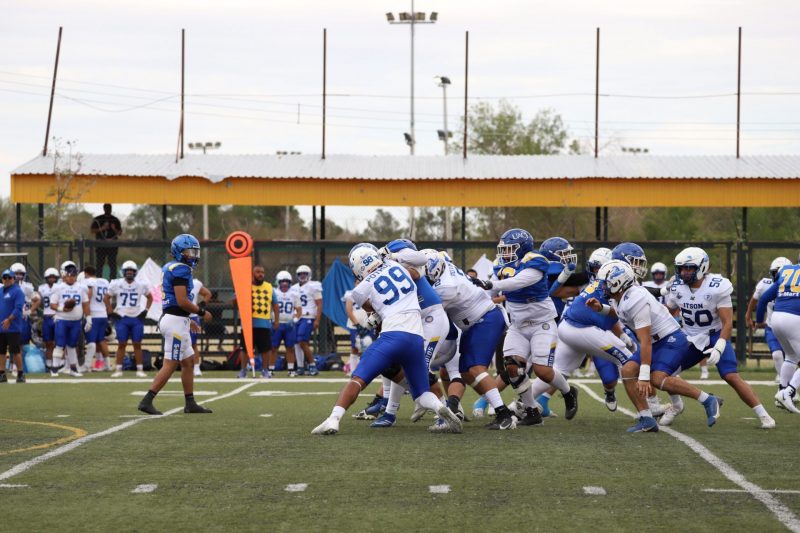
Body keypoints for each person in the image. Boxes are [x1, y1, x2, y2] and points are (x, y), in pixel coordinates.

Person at [311, 244, 461, 435]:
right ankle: (440, 407)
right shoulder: (397, 266)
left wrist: (371, 302)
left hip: (392, 336)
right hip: (416, 338)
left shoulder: (361, 287)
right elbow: (416, 274)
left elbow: (368, 306)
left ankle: (333, 420)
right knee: (421, 393)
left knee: (357, 379)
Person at [587, 260, 723, 430]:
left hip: (670, 339)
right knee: (627, 370)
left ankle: (708, 400)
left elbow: (644, 340)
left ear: (618, 282)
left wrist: (644, 376)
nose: (602, 287)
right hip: (656, 341)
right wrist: (601, 308)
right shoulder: (620, 296)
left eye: (605, 283)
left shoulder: (636, 299)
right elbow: (621, 311)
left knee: (656, 379)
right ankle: (647, 419)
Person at [472, 229, 579, 421]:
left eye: (510, 249)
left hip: (542, 323)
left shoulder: (535, 261)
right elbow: (488, 293)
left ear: (522, 248)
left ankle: (568, 392)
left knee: (542, 371)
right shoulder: (500, 266)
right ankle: (531, 411)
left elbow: (518, 282)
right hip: (518, 325)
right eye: (503, 249)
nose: (505, 253)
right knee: (512, 368)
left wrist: (491, 285)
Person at [663, 247, 774, 429]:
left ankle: (764, 415)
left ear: (702, 267)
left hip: (714, 334)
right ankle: (676, 406)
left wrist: (720, 345)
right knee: (664, 372)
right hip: (690, 338)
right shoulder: (676, 287)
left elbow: (727, 322)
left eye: (689, 268)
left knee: (730, 375)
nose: (684, 272)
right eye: (681, 268)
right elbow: (667, 313)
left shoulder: (717, 286)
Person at [427, 250, 519, 430]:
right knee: (465, 372)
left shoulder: (445, 287)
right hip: (476, 322)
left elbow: (428, 311)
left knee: (476, 368)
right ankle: (456, 408)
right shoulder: (446, 268)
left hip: (485, 319)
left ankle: (504, 415)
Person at [137, 234, 211, 415]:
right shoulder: (181, 269)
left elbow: (178, 303)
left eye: (194, 252)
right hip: (175, 322)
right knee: (170, 363)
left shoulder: (171, 267)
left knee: (188, 362)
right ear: (178, 252)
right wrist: (201, 312)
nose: (192, 255)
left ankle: (190, 403)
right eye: (188, 252)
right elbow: (182, 301)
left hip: (176, 319)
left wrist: (188, 319)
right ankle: (147, 400)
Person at [756, 254, 800, 413]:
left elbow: (764, 299)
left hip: (776, 318)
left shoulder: (787, 271)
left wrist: (759, 320)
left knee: (791, 357)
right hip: (794, 318)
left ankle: (782, 389)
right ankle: (788, 392)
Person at [746, 257, 792, 384]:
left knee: (791, 357)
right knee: (777, 355)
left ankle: (788, 381)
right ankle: (784, 383)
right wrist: (748, 316)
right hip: (772, 327)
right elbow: (755, 300)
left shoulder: (795, 286)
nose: (777, 276)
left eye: (780, 272)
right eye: (775, 272)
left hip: (790, 327)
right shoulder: (765, 284)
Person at [106, 261, 152, 378]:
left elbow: (150, 297)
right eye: (128, 271)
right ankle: (118, 369)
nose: (129, 273)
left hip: (136, 318)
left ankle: (140, 369)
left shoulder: (141, 284)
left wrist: (145, 310)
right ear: (123, 272)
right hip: (122, 318)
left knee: (137, 344)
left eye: (132, 271)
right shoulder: (117, 283)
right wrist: (111, 312)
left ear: (135, 272)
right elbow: (106, 298)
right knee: (122, 344)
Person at [237, 266, 279, 379]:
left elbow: (275, 305)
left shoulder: (269, 287)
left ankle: (265, 370)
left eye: (262, 272)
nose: (261, 274)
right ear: (252, 274)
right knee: (245, 348)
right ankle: (243, 370)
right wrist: (242, 296)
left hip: (264, 323)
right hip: (247, 323)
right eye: (258, 272)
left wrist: (276, 320)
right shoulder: (245, 286)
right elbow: (234, 301)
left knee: (266, 349)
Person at [50, 261, 90, 377]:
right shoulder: (59, 287)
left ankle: (73, 369)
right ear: (64, 275)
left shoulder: (81, 287)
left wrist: (89, 318)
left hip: (76, 321)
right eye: (69, 275)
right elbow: (52, 305)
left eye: (73, 275)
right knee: (59, 344)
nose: (71, 277)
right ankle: (54, 368)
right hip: (62, 320)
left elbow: (85, 304)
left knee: (72, 345)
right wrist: (62, 309)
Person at [292, 265, 322, 376]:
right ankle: (300, 367)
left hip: (308, 317)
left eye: (305, 274)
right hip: (296, 317)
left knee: (302, 341)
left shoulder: (313, 286)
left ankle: (312, 365)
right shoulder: (294, 288)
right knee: (296, 343)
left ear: (309, 274)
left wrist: (317, 320)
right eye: (300, 274)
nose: (302, 276)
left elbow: (319, 304)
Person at [82, 266, 111, 372]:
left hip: (93, 314)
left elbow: (89, 295)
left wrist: (85, 311)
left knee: (91, 341)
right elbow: (108, 296)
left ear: (86, 273)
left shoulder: (88, 281)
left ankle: (87, 366)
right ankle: (107, 365)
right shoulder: (104, 281)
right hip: (103, 314)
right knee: (101, 340)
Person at [273, 270, 301, 377]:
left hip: (289, 325)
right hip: (277, 324)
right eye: (282, 282)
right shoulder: (273, 293)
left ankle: (291, 369)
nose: (284, 284)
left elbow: (299, 310)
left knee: (290, 348)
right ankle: (270, 369)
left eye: (287, 282)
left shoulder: (294, 294)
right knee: (273, 348)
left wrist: (294, 320)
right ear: (278, 282)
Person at [0, 269, 26, 383]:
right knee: (1, 351)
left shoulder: (17, 291)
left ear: (13, 279)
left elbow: (18, 308)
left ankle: (20, 373)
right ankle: (2, 373)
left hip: (13, 327)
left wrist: (9, 319)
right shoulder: (0, 290)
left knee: (15, 351)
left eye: (9, 277)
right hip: (1, 326)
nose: (7, 280)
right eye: (4, 278)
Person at [9, 262, 39, 359]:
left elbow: (37, 300)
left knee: (22, 343)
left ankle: (18, 365)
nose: (18, 276)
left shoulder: (26, 287)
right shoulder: (4, 286)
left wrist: (29, 311)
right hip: (9, 319)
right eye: (16, 273)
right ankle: (11, 364)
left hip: (22, 319)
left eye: (20, 274)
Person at [37, 267, 61, 372]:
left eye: (53, 277)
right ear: (46, 278)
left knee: (59, 342)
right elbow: (39, 301)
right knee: (48, 342)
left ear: (57, 278)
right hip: (47, 316)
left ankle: (59, 362)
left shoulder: (60, 287)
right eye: (50, 277)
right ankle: (49, 362)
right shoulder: (41, 288)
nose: (52, 279)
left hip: (58, 315)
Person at [91, 203, 123, 278]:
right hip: (101, 245)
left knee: (112, 264)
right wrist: (102, 228)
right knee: (99, 263)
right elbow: (92, 230)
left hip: (112, 245)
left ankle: (112, 280)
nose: (108, 210)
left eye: (109, 208)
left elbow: (120, 233)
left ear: (111, 209)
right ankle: (98, 279)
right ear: (104, 209)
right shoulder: (98, 219)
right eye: (106, 208)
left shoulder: (115, 220)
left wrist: (114, 228)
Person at [189, 277, 212, 377]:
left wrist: (200, 307)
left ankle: (196, 367)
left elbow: (207, 294)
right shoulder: (175, 282)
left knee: (193, 344)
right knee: (178, 343)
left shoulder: (195, 283)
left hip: (192, 316)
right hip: (179, 316)